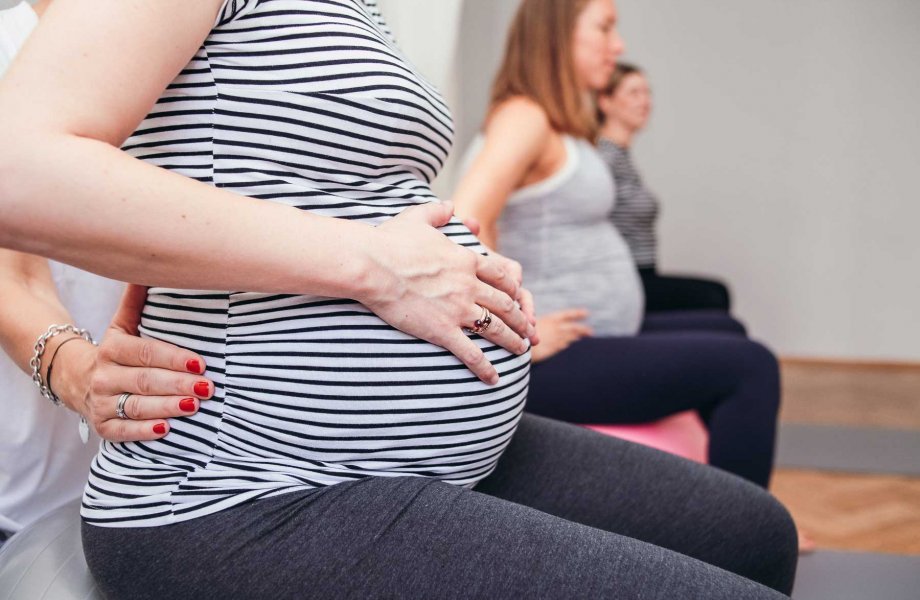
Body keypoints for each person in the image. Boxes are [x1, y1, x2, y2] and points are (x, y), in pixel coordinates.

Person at [0, 0, 797, 597]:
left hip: (432, 453)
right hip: (248, 485)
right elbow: (18, 171)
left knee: (756, 534)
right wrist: (375, 265)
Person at [453, 0, 782, 489]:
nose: (619, 45)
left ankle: (721, 502)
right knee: (751, 367)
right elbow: (466, 220)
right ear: (559, 33)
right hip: (554, 357)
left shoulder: (557, 121)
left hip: (589, 330)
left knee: (727, 327)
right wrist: (514, 330)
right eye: (605, 28)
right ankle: (746, 533)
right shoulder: (525, 116)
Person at [0, 0, 223, 548]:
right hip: (30, 492)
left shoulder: (204, 49)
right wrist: (82, 376)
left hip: (187, 488)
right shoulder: (12, 48)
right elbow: (13, 276)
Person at [597, 62, 734, 313]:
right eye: (634, 93)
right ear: (605, 102)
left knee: (716, 294)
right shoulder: (605, 158)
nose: (645, 101)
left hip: (642, 274)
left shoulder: (621, 157)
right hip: (625, 279)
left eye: (648, 93)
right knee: (715, 296)